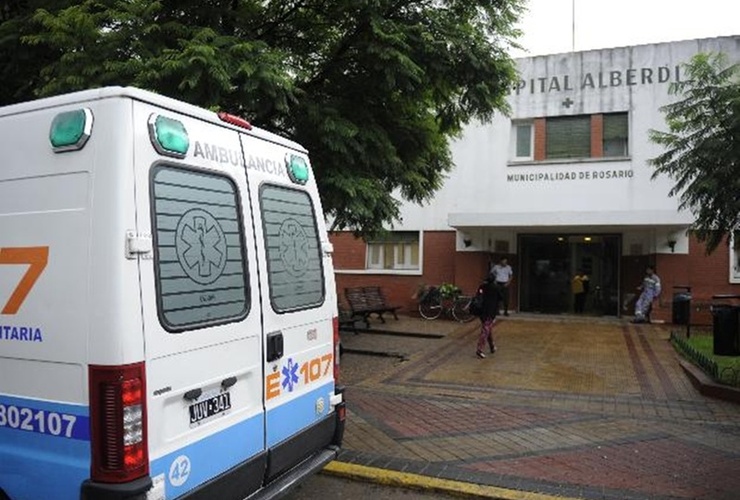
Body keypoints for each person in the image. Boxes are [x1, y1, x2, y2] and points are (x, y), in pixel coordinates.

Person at [476, 278, 500, 359]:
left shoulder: (482, 287)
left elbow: (478, 295)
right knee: (486, 330)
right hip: (490, 312)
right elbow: (500, 298)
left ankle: (492, 346)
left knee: (488, 329)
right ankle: (480, 349)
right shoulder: (496, 288)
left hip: (481, 311)